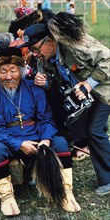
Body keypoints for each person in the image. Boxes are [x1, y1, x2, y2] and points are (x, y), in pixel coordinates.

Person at [0, 47, 81, 216]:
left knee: (61, 142)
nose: (9, 76)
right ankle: (6, 198)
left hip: (36, 136)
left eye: (13, 70)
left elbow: (46, 119)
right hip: (9, 140)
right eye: (3, 71)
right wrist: (19, 144)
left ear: (20, 70)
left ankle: (65, 192)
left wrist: (46, 140)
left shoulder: (35, 89)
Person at [18, 12, 110, 195]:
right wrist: (46, 83)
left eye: (36, 49)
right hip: (84, 98)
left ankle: (107, 178)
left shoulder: (74, 45)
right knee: (81, 129)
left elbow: (107, 60)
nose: (35, 54)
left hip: (104, 89)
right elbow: (59, 81)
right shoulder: (46, 59)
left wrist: (89, 84)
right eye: (33, 51)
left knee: (94, 131)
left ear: (49, 41)